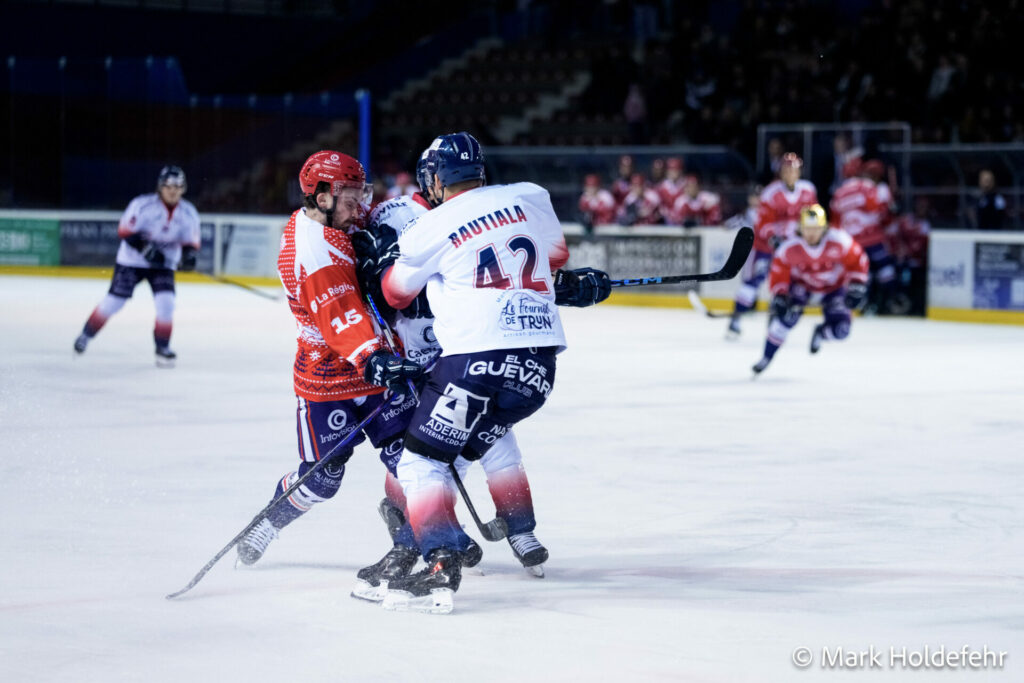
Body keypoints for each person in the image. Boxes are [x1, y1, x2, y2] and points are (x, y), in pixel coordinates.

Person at [373, 132, 610, 613]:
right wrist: (566, 288)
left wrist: (391, 266)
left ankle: (441, 559)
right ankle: (519, 532)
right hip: (538, 369)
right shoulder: (529, 196)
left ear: (436, 179)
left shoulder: (428, 226)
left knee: (421, 461)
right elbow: (552, 261)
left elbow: (395, 293)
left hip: (473, 361)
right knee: (481, 445)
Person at [233, 150, 424, 566]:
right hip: (330, 376)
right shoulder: (312, 250)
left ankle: (421, 542)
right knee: (324, 477)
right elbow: (341, 316)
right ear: (322, 198)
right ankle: (267, 521)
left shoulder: (337, 222)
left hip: (373, 368)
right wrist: (374, 355)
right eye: (351, 196)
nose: (361, 206)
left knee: (412, 459)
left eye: (361, 193)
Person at [73, 165, 200, 366]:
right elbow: (125, 231)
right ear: (160, 187)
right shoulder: (142, 205)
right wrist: (146, 249)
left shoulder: (188, 212)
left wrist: (189, 257)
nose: (173, 191)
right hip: (131, 262)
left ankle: (162, 348)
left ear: (183, 189)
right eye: (169, 186)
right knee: (114, 302)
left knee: (166, 304)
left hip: (163, 265)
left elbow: (190, 243)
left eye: (178, 187)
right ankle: (86, 335)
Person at [751, 204, 869, 375]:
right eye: (807, 228)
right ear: (800, 228)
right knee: (783, 322)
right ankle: (766, 358)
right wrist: (780, 295)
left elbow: (858, 260)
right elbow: (779, 270)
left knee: (842, 331)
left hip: (833, 289)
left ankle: (821, 333)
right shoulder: (790, 247)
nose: (811, 233)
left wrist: (857, 286)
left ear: (824, 228)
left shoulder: (839, 240)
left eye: (816, 228)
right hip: (802, 288)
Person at [727, 153, 818, 337]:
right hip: (766, 247)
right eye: (786, 170)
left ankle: (775, 319)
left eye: (793, 170)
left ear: (799, 171)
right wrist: (773, 238)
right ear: (781, 172)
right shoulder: (771, 193)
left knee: (786, 285)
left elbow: (813, 217)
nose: (790, 173)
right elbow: (763, 222)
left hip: (792, 249)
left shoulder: (808, 190)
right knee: (754, 281)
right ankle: (735, 321)